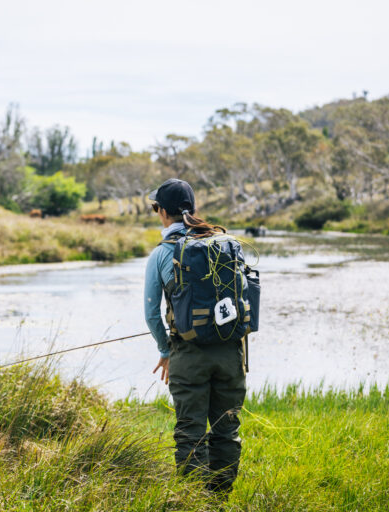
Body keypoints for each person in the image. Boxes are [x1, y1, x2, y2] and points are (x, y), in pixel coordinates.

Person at [143, 178, 247, 496]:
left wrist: (165, 350)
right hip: (230, 351)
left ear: (162, 212)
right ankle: (220, 498)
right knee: (226, 429)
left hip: (187, 354)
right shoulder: (225, 244)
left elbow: (151, 314)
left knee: (191, 432)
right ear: (192, 208)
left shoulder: (161, 253)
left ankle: (195, 500)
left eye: (156, 208)